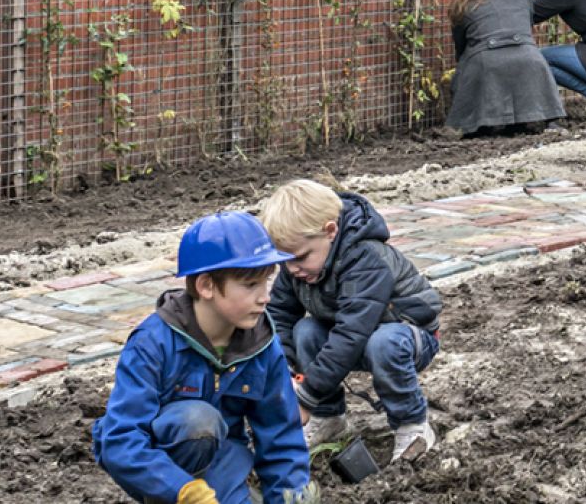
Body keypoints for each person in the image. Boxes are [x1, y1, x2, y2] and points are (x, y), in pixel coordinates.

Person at [94, 212, 312, 504]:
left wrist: (290, 496)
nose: (265, 298)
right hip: (156, 465)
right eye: (250, 286)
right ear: (206, 286)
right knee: (198, 421)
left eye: (266, 283)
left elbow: (281, 437)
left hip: (226, 457)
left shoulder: (262, 344)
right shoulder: (153, 343)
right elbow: (120, 440)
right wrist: (182, 490)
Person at [262, 178, 446, 461]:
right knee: (306, 331)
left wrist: (306, 395)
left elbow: (351, 332)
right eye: (284, 260)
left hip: (410, 336)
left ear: (330, 231)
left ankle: (412, 425)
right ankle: (328, 418)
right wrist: (284, 367)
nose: (291, 269)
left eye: (300, 257)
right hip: (357, 338)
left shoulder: (365, 259)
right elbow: (279, 317)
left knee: (383, 342)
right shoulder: (298, 266)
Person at [446, 0, 566, 136]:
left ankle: (484, 123)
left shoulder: (463, 3)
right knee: (521, 57)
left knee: (474, 64)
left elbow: (460, 49)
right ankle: (538, 120)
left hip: (485, 62)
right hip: (529, 59)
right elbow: (526, 24)